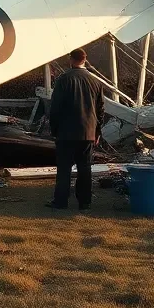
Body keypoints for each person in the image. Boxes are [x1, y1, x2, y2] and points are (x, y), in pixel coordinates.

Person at [47, 48, 105, 211]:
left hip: (66, 131)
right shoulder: (95, 82)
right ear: (84, 60)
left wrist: (54, 129)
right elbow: (101, 109)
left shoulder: (63, 79)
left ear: (71, 60)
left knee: (64, 168)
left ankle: (61, 201)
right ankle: (84, 202)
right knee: (85, 168)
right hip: (88, 132)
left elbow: (55, 108)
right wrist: (97, 131)